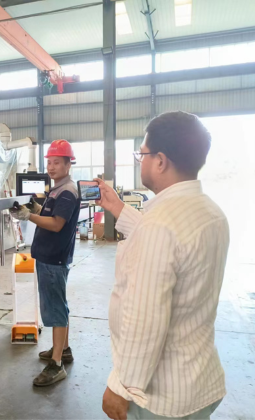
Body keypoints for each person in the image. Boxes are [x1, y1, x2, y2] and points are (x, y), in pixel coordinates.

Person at [97, 111, 229, 420]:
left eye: (141, 154)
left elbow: (145, 319)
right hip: (198, 381)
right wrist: (118, 207)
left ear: (160, 161)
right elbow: (171, 242)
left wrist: (122, 386)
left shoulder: (160, 226)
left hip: (161, 399)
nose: (139, 160)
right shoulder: (210, 212)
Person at [10, 139, 81, 387]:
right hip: (52, 256)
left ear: (68, 164)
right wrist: (35, 208)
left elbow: (56, 224)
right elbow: (51, 215)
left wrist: (30, 216)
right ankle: (63, 350)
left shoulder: (67, 192)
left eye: (56, 162)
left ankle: (57, 364)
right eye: (49, 162)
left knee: (55, 309)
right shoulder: (57, 188)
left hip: (54, 258)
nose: (51, 167)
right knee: (59, 305)